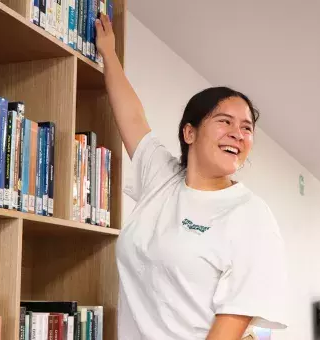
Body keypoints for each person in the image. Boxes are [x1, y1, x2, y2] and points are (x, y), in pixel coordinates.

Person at [95, 14, 288, 340]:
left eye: (246, 128)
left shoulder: (251, 215)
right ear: (189, 131)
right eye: (225, 122)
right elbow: (131, 115)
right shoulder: (162, 178)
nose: (237, 134)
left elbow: (232, 323)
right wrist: (109, 54)